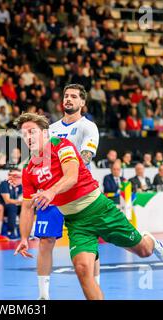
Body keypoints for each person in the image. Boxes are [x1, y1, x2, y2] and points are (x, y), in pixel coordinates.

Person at [13, 113, 163, 300]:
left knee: (144, 251)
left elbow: (71, 176)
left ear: (45, 133)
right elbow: (27, 207)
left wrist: (51, 191)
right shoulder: (28, 169)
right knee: (82, 269)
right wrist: (24, 237)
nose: (28, 137)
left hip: (100, 210)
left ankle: (150, 240)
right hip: (76, 223)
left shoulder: (61, 146)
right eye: (24, 135)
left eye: (32, 132)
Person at [36, 83, 101, 300]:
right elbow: (40, 160)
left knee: (89, 246)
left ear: (82, 102)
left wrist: (66, 174)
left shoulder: (87, 127)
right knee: (45, 240)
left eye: (74, 96)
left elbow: (85, 158)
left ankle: (95, 290)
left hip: (79, 192)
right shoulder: (51, 129)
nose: (69, 99)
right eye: (66, 96)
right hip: (53, 192)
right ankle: (43, 296)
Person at [0, 168, 23, 240]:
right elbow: (7, 200)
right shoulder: (4, 184)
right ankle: (10, 232)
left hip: (15, 205)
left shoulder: (19, 185)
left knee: (27, 207)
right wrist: (21, 202)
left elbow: (22, 198)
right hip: (4, 207)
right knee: (12, 206)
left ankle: (24, 232)